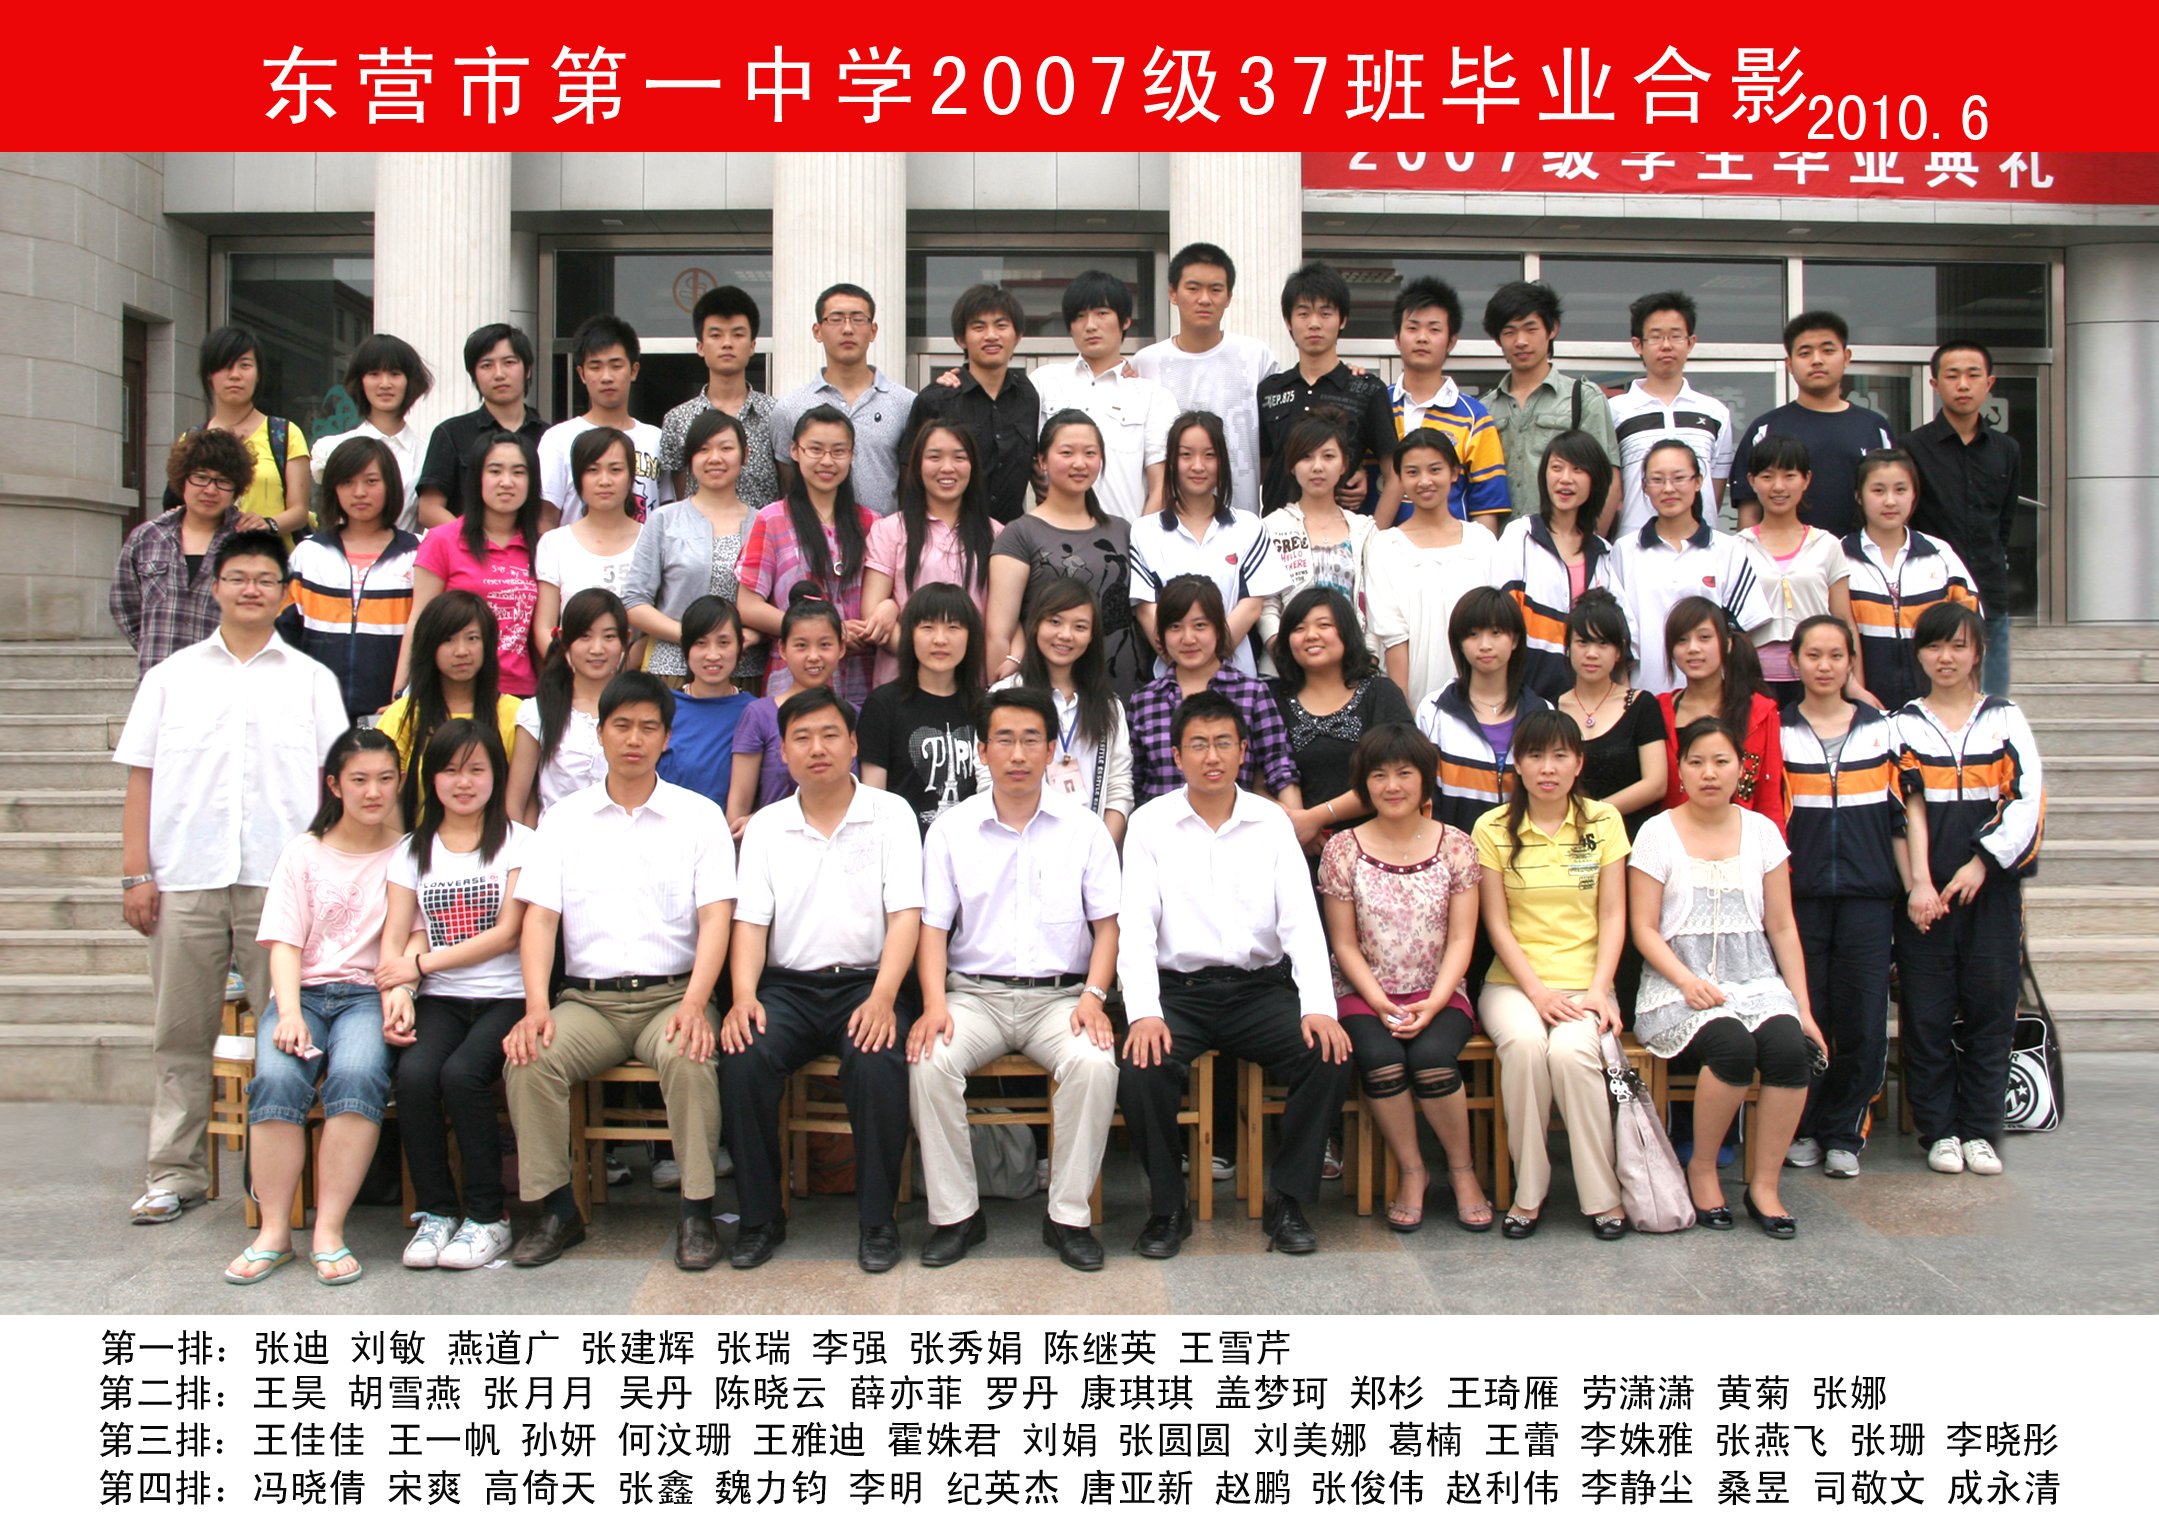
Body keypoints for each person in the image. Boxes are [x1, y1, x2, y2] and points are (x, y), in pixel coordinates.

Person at [115, 529, 350, 1226]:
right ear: (215, 587)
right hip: (184, 877)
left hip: (280, 887)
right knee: (179, 1033)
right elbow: (141, 780)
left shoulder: (312, 681)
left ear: (284, 594)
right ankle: (174, 1172)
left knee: (287, 1032)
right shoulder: (170, 677)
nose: (252, 589)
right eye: (239, 577)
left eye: (265, 580)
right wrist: (135, 874)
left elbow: (334, 785)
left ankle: (277, 1178)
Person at [503, 672, 738, 1270]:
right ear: (600, 733)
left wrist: (696, 1003)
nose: (635, 739)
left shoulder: (699, 816)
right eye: (622, 726)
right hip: (589, 1003)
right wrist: (536, 1008)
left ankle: (697, 1212)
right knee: (529, 1059)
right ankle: (557, 1211)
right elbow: (539, 921)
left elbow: (717, 919)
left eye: (649, 728)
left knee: (690, 1056)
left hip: (673, 997)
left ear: (667, 738)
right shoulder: (563, 820)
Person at [1117, 690, 1353, 1257]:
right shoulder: (1150, 824)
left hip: (1258, 990)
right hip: (1179, 993)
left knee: (1327, 1053)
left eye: (1224, 743)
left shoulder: (1270, 822)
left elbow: (1301, 923)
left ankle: (1289, 1201)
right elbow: (1136, 929)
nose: (1212, 756)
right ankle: (1167, 1209)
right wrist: (1144, 1012)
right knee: (1140, 1067)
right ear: (1176, 756)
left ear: (1244, 751)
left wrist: (1319, 1006)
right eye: (1198, 744)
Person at [906, 688, 1123, 1270]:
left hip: (1061, 999)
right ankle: (956, 1216)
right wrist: (933, 1004)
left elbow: (1109, 927)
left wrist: (1095, 998)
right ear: (982, 751)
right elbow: (933, 929)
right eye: (1004, 740)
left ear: (1052, 749)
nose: (1018, 754)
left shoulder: (1084, 829)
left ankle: (1068, 1218)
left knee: (1094, 1064)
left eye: (1032, 740)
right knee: (929, 1062)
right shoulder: (951, 830)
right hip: (974, 995)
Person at [721, 687, 923, 1272]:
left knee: (877, 1060)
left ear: (853, 744)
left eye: (830, 734)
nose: (817, 748)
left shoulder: (891, 813)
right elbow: (750, 923)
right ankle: (760, 1218)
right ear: (783, 751)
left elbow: (905, 914)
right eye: (802, 738)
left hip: (868, 982)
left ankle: (878, 1221)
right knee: (743, 1057)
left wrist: (884, 997)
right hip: (788, 987)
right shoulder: (767, 826)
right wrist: (742, 998)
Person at [1629, 716, 1828, 1238]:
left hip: (1755, 979)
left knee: (1790, 1049)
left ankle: (1765, 1185)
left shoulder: (1763, 832)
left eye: (1721, 761)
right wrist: (1686, 982)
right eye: (1696, 762)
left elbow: (1782, 926)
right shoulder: (1657, 833)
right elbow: (1643, 929)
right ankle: (1702, 1168)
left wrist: (1802, 1009)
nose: (1709, 773)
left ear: (1742, 769)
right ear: (1680, 769)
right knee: (1733, 1047)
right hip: (1677, 984)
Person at [220, 727, 402, 1285]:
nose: (373, 791)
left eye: (385, 779)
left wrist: (401, 989)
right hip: (302, 994)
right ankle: (274, 1233)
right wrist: (290, 1013)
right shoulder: (304, 852)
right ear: (335, 785)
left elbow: (410, 936)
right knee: (277, 1077)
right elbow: (284, 943)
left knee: (358, 1074)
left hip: (366, 995)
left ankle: (328, 1230)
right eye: (359, 780)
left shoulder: (408, 853)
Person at [1319, 723, 1489, 1232]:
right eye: (1378, 775)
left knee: (1433, 1058)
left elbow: (1462, 938)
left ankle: (1462, 1172)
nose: (1392, 786)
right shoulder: (1342, 849)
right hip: (1362, 994)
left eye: (1404, 773)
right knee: (1382, 1059)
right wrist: (1380, 1002)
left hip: (1440, 992)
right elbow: (1343, 943)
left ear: (1425, 779)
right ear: (1363, 783)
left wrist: (1434, 1002)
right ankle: (1413, 1172)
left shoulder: (1457, 845)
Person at [1896, 601, 2044, 1179]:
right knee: (1927, 1015)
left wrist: (1982, 863)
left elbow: (2027, 800)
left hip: (1993, 892)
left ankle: (1982, 1130)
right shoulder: (1904, 724)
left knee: (1991, 1009)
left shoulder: (2005, 718)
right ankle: (1939, 1132)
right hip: (1927, 896)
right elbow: (1906, 804)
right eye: (1934, 646)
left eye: (1959, 645)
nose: (1946, 657)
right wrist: (1921, 882)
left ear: (1979, 651)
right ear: (1919, 654)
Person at [378, 718, 531, 1271]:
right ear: (431, 778)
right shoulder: (411, 849)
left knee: (462, 1074)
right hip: (440, 997)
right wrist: (397, 992)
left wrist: (417, 965)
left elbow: (507, 934)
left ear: (496, 774)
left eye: (476, 769)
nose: (463, 782)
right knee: (416, 1076)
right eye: (449, 770)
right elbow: (396, 932)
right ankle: (438, 1212)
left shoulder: (519, 842)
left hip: (507, 996)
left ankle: (489, 1217)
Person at [1472, 709, 1631, 1240]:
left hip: (1586, 982)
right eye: (1535, 755)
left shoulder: (1603, 821)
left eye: (1560, 755)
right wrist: (1537, 994)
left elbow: (1614, 915)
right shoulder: (1492, 828)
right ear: (1517, 764)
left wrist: (1599, 990)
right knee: (1523, 1047)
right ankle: (1528, 1192)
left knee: (1570, 1053)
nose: (1547, 768)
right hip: (1513, 984)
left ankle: (1603, 1197)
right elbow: (1496, 923)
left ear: (1579, 762)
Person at [1779, 615, 1904, 1181]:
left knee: (1862, 1019)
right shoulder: (1779, 732)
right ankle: (1802, 1126)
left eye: (1836, 655)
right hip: (1799, 899)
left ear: (1852, 662)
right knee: (1808, 1013)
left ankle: (1845, 1132)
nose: (1824, 666)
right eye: (1813, 655)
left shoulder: (1883, 731)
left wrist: (1912, 886)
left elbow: (1902, 817)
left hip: (1868, 898)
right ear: (1794, 662)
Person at [985, 411, 1143, 697]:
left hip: (1120, 689)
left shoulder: (1122, 530)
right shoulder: (1020, 534)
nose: (1079, 463)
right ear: (1042, 461)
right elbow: (999, 633)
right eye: (1067, 453)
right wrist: (1003, 700)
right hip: (1045, 695)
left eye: (1090, 453)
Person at [734, 404, 879, 705]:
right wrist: (827, 631)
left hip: (862, 678)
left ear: (852, 455)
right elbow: (748, 607)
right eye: (815, 449)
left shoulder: (872, 523)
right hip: (792, 680)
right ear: (795, 451)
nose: (827, 461)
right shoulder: (772, 519)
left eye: (838, 451)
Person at [1130, 410, 1290, 678]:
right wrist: (1186, 663)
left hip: (1237, 681)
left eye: (1209, 455)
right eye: (1186, 455)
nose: (1198, 466)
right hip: (1169, 683)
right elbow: (1146, 610)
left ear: (1222, 461)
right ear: (1172, 462)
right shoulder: (1144, 531)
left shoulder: (1249, 527)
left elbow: (1252, 606)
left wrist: (1209, 664)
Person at [1903, 341, 2022, 697]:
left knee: (1992, 699)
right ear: (1935, 384)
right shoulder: (1911, 448)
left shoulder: (2006, 450)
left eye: (1973, 375)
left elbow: (2004, 522)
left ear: (1990, 382)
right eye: (1952, 376)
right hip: (1930, 594)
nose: (1964, 385)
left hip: (1989, 593)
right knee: (1927, 696)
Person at [1609, 438, 1769, 695]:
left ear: (1698, 481)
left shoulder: (1727, 549)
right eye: (1657, 479)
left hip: (1714, 701)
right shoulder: (1624, 551)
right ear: (1644, 487)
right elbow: (1617, 633)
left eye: (1679, 478)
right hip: (1643, 697)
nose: (1668, 488)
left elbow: (1742, 631)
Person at [277, 435, 419, 720]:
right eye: (347, 482)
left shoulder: (417, 553)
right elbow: (283, 636)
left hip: (392, 716)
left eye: (371, 481)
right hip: (314, 716)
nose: (359, 493)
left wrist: (407, 699)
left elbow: (430, 639)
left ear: (391, 485)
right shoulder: (309, 554)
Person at [625, 409, 767, 689]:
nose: (715, 458)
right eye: (703, 449)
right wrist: (694, 637)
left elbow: (779, 604)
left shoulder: (765, 522)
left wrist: (756, 635)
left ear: (745, 455)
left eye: (726, 448)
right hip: (673, 670)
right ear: (690, 458)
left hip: (746, 669)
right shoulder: (664, 520)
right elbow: (635, 601)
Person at [1128, 575, 1300, 806]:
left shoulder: (1252, 693)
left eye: (1200, 625)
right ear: (1161, 635)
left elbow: (1280, 768)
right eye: (1175, 627)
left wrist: (1295, 819)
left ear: (1219, 629)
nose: (1188, 639)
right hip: (1162, 826)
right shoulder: (1144, 701)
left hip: (1234, 824)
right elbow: (1135, 782)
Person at [1132, 243, 1277, 513]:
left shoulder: (1256, 356)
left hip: (1241, 517)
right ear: (1172, 293)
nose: (1204, 299)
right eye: (1193, 288)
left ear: (1229, 297)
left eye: (1215, 289)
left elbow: (1277, 439)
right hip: (1166, 519)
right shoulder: (1145, 363)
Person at [989, 577, 1135, 842]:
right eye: (1055, 622)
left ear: (1092, 635)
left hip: (1090, 852)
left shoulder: (1108, 706)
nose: (1066, 635)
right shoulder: (1005, 696)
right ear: (1035, 624)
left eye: (1080, 626)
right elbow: (988, 780)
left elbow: (1119, 788)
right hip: (1020, 847)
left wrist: (1099, 852)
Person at [1270, 587, 1413, 854]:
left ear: (1347, 631)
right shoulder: (1271, 698)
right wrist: (1293, 822)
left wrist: (1316, 818)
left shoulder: (1379, 693)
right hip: (1293, 850)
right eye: (1299, 628)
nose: (1311, 635)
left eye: (1324, 625)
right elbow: (1256, 780)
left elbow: (1402, 773)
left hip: (1375, 851)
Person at [1031, 269, 1179, 524]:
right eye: (1080, 316)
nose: (1090, 325)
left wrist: (1139, 542)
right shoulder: (1043, 383)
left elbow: (1162, 486)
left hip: (1123, 540)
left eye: (1102, 313)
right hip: (1051, 540)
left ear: (1125, 321)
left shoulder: (1152, 397)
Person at [860, 420, 1001, 688]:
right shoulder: (890, 530)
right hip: (904, 683)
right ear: (917, 465)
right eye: (934, 457)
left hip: (971, 684)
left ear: (973, 465)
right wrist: (929, 661)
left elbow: (1003, 620)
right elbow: (872, 614)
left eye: (959, 457)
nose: (947, 468)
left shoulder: (997, 535)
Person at [402, 430, 543, 696]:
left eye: (518, 472)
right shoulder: (442, 540)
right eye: (495, 471)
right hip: (454, 692)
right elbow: (419, 621)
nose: (506, 482)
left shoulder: (543, 546)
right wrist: (401, 693)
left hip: (520, 695)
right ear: (477, 477)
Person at [1364, 429, 1498, 705]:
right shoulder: (1386, 546)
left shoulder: (1482, 541)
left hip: (1481, 694)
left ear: (1454, 472)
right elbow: (1391, 633)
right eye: (1412, 472)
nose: (1425, 481)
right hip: (1414, 691)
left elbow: (1499, 623)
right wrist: (1403, 708)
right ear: (1399, 478)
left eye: (1435, 469)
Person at [1732, 312, 1894, 539]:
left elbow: (1894, 498)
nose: (1817, 360)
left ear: (1846, 357)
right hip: (1785, 557)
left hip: (1860, 555)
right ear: (1789, 363)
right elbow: (1749, 511)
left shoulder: (1874, 427)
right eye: (1805, 353)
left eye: (1828, 350)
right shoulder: (1766, 428)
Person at [1842, 447, 1979, 712]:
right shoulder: (1840, 557)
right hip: (1863, 706)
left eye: (1900, 490)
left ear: (1914, 494)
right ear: (1859, 495)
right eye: (1878, 490)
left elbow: (1972, 628)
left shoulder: (1939, 555)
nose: (1890, 501)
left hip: (1935, 706)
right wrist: (1853, 689)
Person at [1489, 429, 1621, 699]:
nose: (1565, 479)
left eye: (1577, 469)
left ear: (1596, 480)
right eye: (1557, 467)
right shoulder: (1521, 536)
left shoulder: (1602, 552)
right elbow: (1497, 617)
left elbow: (1620, 633)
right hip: (1524, 697)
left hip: (1588, 700)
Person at [1479, 280, 1622, 529]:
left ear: (1552, 329)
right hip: (1500, 547)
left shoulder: (1582, 398)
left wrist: (1587, 545)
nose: (1521, 341)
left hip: (1563, 544)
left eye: (1530, 329)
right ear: (1498, 339)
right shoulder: (1484, 409)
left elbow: (1608, 481)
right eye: (1509, 332)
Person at [114, 428, 257, 676]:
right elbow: (125, 604)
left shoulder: (253, 544)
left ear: (237, 488)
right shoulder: (147, 537)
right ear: (183, 480)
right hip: (160, 682)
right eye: (200, 477)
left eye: (223, 481)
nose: (210, 490)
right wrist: (152, 643)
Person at [1257, 262, 1395, 515]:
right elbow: (1264, 467)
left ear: (1343, 320)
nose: (1314, 324)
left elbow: (1394, 475)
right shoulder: (1269, 391)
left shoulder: (1367, 390)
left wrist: (1376, 534)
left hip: (1343, 532)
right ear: (1288, 321)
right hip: (1278, 530)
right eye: (1303, 313)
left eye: (1325, 313)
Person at [770, 283, 916, 515]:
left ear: (873, 331)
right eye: (836, 319)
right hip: (811, 534)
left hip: (883, 534)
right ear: (817, 331)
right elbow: (786, 483)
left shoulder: (905, 403)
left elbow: (911, 484)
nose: (847, 329)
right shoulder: (790, 408)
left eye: (858, 319)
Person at [902, 285, 1040, 526]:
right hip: (952, 535)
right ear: (961, 338)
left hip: (1011, 535)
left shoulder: (1026, 395)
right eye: (979, 327)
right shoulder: (936, 400)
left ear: (1018, 336)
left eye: (1001, 325)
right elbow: (908, 476)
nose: (991, 335)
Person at [1416, 586, 1550, 834]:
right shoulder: (1433, 712)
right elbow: (1423, 797)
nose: (1485, 645)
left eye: (1496, 633)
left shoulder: (1542, 713)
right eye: (1473, 634)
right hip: (1452, 853)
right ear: (1459, 643)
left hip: (1528, 853)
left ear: (1515, 639)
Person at [1735, 434, 1857, 706]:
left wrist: (1854, 684)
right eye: (1767, 477)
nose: (1778, 486)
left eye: (1789, 475)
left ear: (1806, 479)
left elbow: (1844, 619)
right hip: (1754, 682)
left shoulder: (1827, 544)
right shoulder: (1737, 548)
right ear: (1752, 481)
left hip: (1818, 678)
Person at [376, 592, 520, 820]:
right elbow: (384, 795)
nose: (461, 651)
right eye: (448, 640)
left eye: (472, 638)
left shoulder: (516, 713)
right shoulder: (404, 714)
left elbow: (524, 798)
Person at [1380, 277, 1508, 532]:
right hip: (1382, 550)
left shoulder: (1475, 418)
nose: (1422, 338)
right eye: (1413, 328)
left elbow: (1486, 509)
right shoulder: (1377, 406)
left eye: (1434, 329)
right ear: (1397, 338)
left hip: (1452, 552)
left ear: (1451, 341)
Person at [1256, 414, 1381, 674]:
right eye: (1306, 457)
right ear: (1292, 465)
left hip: (1353, 669)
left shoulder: (1364, 530)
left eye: (1328, 456)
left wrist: (1368, 660)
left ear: (1344, 464)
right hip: (1285, 671)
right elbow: (1266, 604)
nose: (1317, 467)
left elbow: (1377, 603)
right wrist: (1284, 656)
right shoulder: (1270, 527)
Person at [1607, 292, 1735, 540]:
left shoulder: (1714, 412)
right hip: (1635, 545)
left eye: (1676, 336)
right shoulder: (1615, 411)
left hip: (1701, 545)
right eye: (1656, 337)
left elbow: (1715, 487)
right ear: (1638, 344)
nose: (1666, 345)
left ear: (1691, 342)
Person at [858, 583, 985, 828]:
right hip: (904, 845)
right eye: (927, 627)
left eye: (953, 627)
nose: (940, 639)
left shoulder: (985, 707)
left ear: (970, 637)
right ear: (910, 634)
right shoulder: (883, 705)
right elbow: (874, 798)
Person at [1659, 595, 1787, 832]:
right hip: (1675, 840)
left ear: (1727, 643)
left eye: (1704, 637)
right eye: (1682, 640)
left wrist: (1776, 853)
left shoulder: (1760, 711)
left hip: (1743, 842)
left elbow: (1770, 798)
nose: (1693, 648)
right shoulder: (1658, 710)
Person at [729, 585, 851, 830]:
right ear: (783, 650)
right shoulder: (759, 715)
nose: (813, 656)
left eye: (825, 645)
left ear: (841, 648)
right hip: (776, 843)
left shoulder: (852, 715)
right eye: (801, 646)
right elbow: (738, 805)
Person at [175, 325, 310, 534]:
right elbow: (179, 507)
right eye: (224, 366)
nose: (235, 375)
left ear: (258, 374)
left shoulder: (285, 434)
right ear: (209, 374)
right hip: (208, 552)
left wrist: (267, 524)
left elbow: (299, 511)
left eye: (245, 365)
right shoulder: (191, 438)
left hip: (269, 551)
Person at [509, 587, 628, 825]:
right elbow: (515, 803)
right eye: (585, 636)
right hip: (556, 843)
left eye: (608, 637)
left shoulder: (639, 711)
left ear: (626, 639)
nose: (597, 649)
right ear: (564, 640)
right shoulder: (539, 712)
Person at [416, 323, 549, 529]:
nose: (499, 374)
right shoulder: (451, 433)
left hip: (533, 547)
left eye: (509, 362)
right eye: (486, 365)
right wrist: (477, 541)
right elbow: (429, 509)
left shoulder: (550, 437)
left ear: (528, 369)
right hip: (466, 546)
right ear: (474, 375)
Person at [1556, 591, 1668, 838]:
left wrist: (1593, 813)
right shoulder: (1552, 708)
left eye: (1603, 643)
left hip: (1631, 840)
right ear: (1568, 647)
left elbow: (1656, 784)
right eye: (1582, 642)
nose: (1592, 653)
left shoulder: (1641, 705)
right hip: (1566, 841)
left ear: (1619, 651)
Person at [658, 285, 778, 511]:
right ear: (700, 347)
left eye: (738, 334)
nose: (727, 343)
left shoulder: (776, 414)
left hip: (763, 532)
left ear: (752, 345)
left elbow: (787, 488)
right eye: (716, 335)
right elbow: (681, 494)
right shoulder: (678, 419)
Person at [537, 314, 663, 525]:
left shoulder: (656, 439)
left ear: (634, 370)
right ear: (581, 374)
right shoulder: (558, 439)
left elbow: (667, 509)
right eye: (595, 367)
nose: (606, 377)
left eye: (616, 366)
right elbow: (546, 517)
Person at [533, 427, 644, 657]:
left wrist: (623, 667)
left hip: (635, 674)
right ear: (578, 478)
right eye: (593, 470)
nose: (604, 480)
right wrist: (572, 667)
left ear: (631, 477)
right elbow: (544, 627)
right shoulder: (555, 543)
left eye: (615, 470)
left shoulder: (652, 540)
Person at [309, 333, 433, 532]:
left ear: (410, 381)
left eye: (394, 373)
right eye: (374, 374)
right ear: (360, 381)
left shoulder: (428, 456)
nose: (385, 384)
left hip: (409, 551)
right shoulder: (331, 448)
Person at [656, 597, 753, 808]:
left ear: (740, 646)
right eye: (701, 643)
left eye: (723, 642)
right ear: (686, 648)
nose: (713, 655)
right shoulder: (662, 708)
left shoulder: (755, 713)